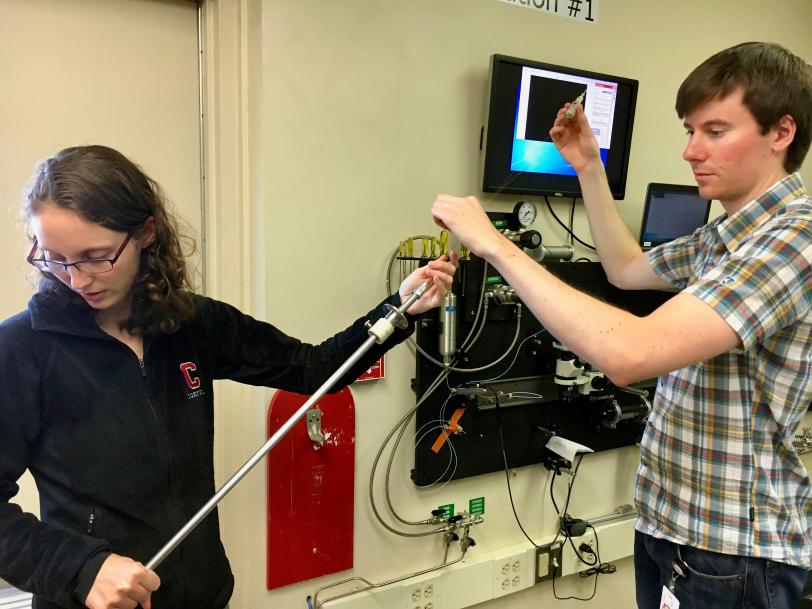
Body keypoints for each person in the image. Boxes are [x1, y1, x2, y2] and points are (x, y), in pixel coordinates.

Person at [432, 41, 811, 609]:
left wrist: (493, 246)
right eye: (690, 130)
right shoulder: (725, 237)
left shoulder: (792, 239)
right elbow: (626, 269)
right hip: (670, 526)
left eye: (714, 130)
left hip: (731, 550)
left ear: (781, 133)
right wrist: (588, 165)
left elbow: (630, 352)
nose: (690, 150)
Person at [0, 144, 458, 609]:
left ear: (145, 233)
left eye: (96, 256)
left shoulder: (191, 323)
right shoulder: (20, 349)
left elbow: (315, 368)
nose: (77, 279)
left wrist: (398, 309)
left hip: (204, 595)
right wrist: (81, 566)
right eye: (54, 259)